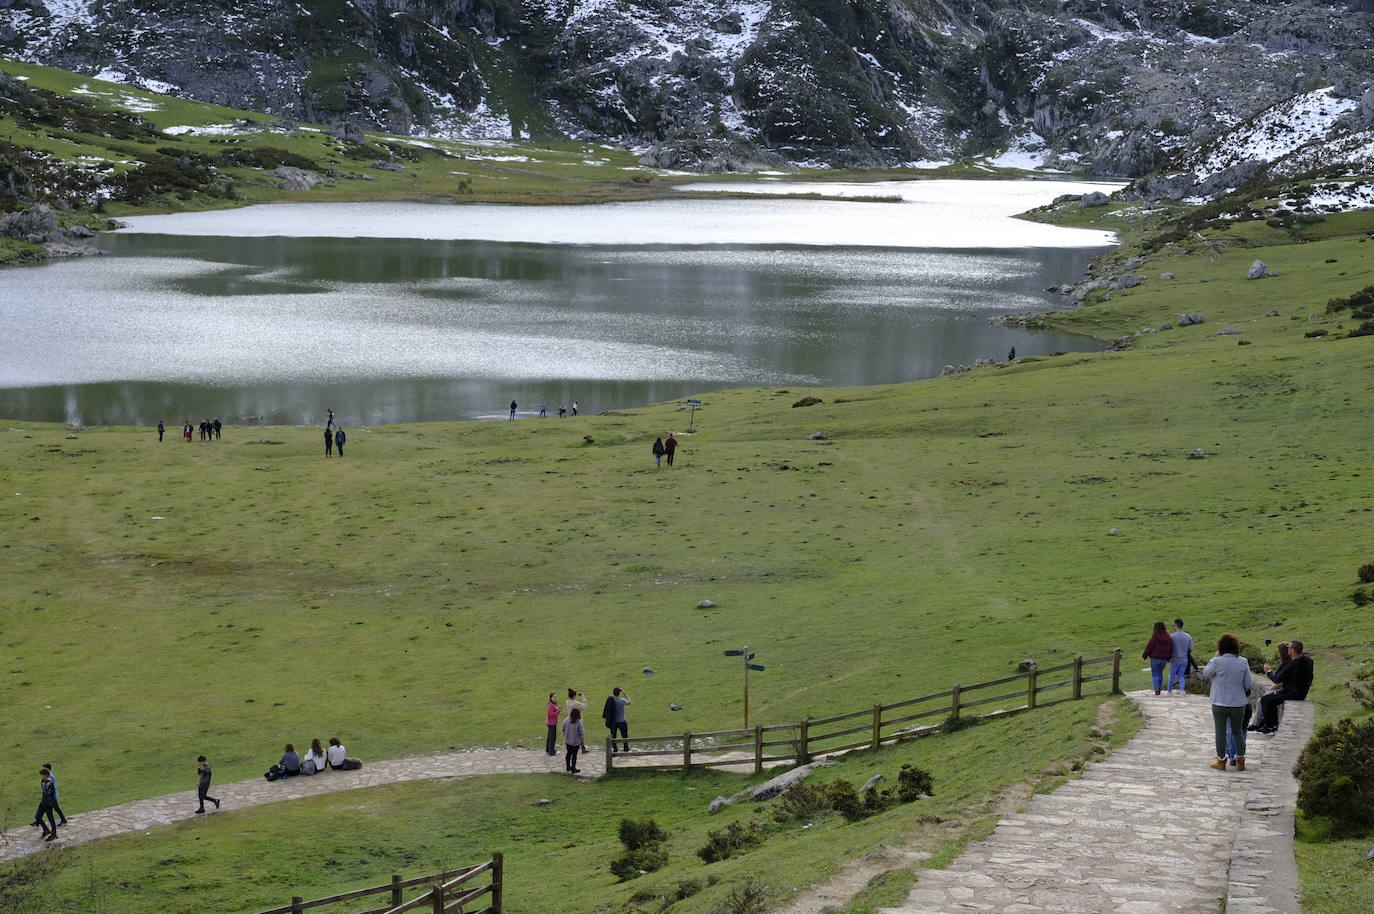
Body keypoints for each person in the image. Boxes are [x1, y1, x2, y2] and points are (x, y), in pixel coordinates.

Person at [1200, 633, 1254, 770]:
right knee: (1237, 731)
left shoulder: (1216, 661)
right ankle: (1240, 759)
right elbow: (1248, 684)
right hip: (1238, 703)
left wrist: (1214, 657)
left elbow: (1205, 674)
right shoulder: (1243, 661)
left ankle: (1221, 760)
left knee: (1220, 731)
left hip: (1219, 702)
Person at [1253, 639, 1313, 733]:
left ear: (1292, 650)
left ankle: (1270, 726)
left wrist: (1268, 671)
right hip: (1302, 692)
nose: (1287, 649)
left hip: (1292, 693)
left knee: (1266, 700)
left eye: (1289, 647)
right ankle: (1272, 725)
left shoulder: (1293, 665)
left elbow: (1277, 679)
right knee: (1270, 700)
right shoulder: (1308, 660)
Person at [1142, 621, 1174, 695]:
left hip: (1155, 658)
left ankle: (1157, 690)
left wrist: (1145, 656)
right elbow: (1171, 648)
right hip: (1164, 659)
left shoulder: (1155, 637)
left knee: (1155, 674)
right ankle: (1159, 688)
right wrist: (1169, 657)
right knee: (1160, 673)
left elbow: (1149, 647)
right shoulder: (1168, 637)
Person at [1168, 618, 1193, 696]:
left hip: (1175, 658)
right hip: (1184, 659)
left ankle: (1169, 691)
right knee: (1181, 675)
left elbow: (1169, 647)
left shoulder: (1172, 636)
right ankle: (1182, 690)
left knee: (1172, 675)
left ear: (1176, 625)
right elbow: (1191, 648)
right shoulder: (1188, 636)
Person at [602, 687, 631, 753]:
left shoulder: (610, 700)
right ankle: (626, 748)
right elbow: (630, 702)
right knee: (624, 736)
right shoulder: (622, 701)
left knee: (613, 736)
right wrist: (625, 694)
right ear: (619, 693)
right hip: (621, 721)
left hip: (613, 722)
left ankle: (615, 749)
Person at [34, 768, 58, 841]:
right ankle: (46, 829)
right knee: (37, 816)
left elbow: (48, 793)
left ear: (46, 775)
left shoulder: (49, 783)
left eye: (42, 775)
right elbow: (44, 792)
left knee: (51, 819)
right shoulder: (43, 781)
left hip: (48, 803)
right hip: (43, 802)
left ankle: (54, 834)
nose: (41, 776)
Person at [563, 707, 585, 773]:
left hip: (568, 741)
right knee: (574, 755)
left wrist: (566, 735)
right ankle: (573, 768)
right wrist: (583, 742)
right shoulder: (579, 722)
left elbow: (563, 728)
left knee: (568, 753)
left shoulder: (567, 719)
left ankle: (568, 766)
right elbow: (581, 733)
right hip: (576, 742)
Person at [545, 692, 561, 756]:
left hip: (550, 722)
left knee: (549, 737)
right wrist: (558, 711)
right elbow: (551, 715)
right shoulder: (551, 705)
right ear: (551, 698)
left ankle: (548, 749)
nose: (555, 698)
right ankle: (552, 752)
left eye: (556, 697)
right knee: (552, 737)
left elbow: (553, 711)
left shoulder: (552, 704)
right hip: (551, 723)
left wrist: (557, 709)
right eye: (554, 697)